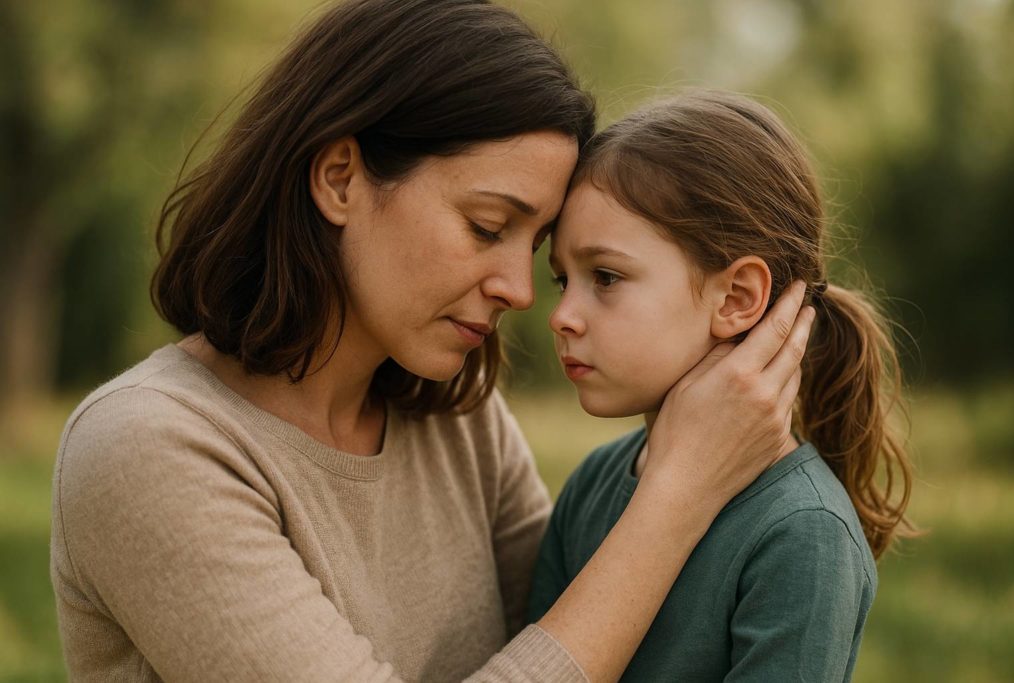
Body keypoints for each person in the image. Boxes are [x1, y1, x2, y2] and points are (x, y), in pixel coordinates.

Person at [49, 3, 814, 681]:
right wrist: (680, 491)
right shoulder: (148, 448)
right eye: (488, 227)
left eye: (535, 242)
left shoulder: (457, 416)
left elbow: (585, 633)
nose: (521, 289)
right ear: (341, 178)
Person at [528, 89, 916, 682]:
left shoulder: (803, 534)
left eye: (604, 276)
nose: (562, 316)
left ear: (735, 298)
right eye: (563, 281)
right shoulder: (590, 487)